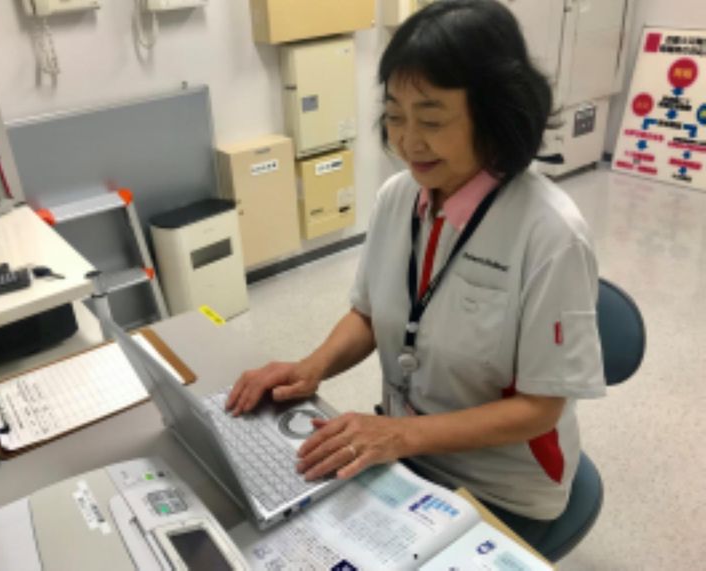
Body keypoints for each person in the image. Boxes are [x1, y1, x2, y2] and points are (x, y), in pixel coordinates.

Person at [226, 0, 605, 546]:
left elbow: (540, 409)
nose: (407, 141)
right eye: (395, 115)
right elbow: (368, 313)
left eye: (431, 119)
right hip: (405, 453)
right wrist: (311, 368)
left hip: (501, 487)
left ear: (496, 114)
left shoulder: (550, 233)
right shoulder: (398, 197)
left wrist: (401, 435)